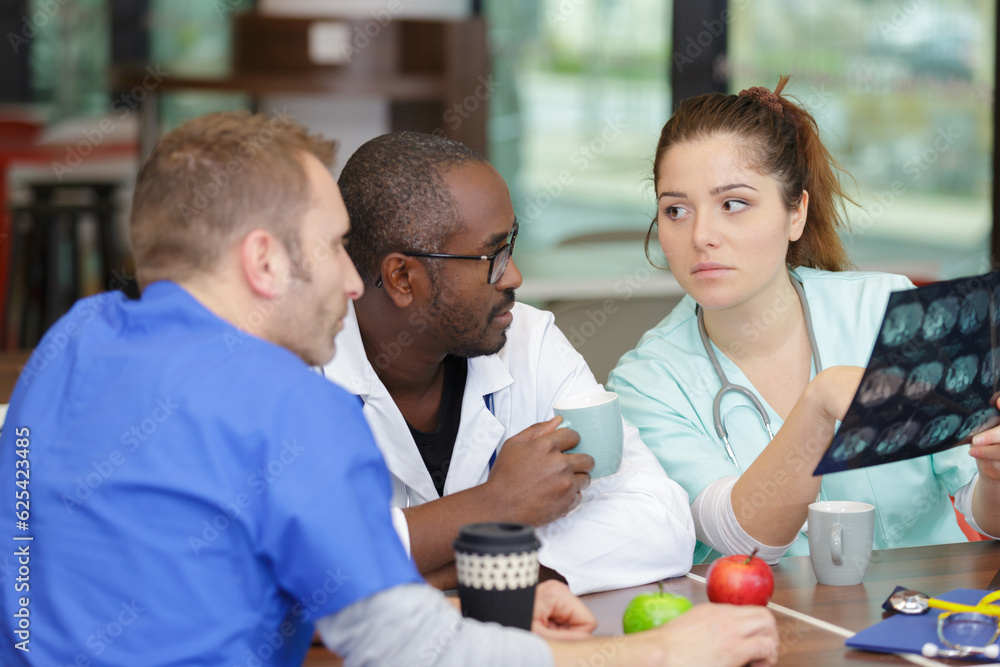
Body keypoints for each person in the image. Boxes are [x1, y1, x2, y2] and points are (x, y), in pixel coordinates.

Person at [0, 111, 779, 667]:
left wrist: (457, 591)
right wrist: (656, 652)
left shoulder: (66, 346)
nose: (349, 279)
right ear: (265, 261)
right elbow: (406, 647)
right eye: (334, 246)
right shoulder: (289, 404)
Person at [607, 76, 1000, 565]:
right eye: (676, 209)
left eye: (734, 203)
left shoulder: (887, 309)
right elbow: (743, 539)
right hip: (770, 631)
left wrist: (994, 475)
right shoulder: (645, 382)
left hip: (927, 616)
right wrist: (820, 401)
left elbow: (982, 513)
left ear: (796, 214)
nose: (701, 235)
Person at [321, 131, 696, 595]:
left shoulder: (528, 340)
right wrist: (495, 504)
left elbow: (662, 521)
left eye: (511, 245)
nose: (514, 275)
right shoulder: (298, 372)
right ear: (402, 277)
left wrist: (463, 570)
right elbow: (311, 568)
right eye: (492, 256)